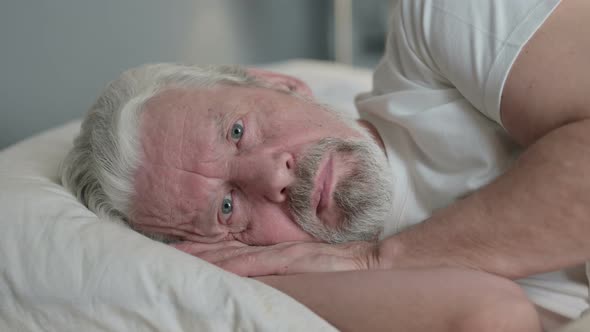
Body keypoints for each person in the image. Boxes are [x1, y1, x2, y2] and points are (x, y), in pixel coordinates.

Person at [60, 0, 590, 330]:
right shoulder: (318, 288)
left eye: (237, 132)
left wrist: (383, 259)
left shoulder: (441, 18)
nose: (271, 177)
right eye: (225, 208)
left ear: (277, 84)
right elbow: (492, 318)